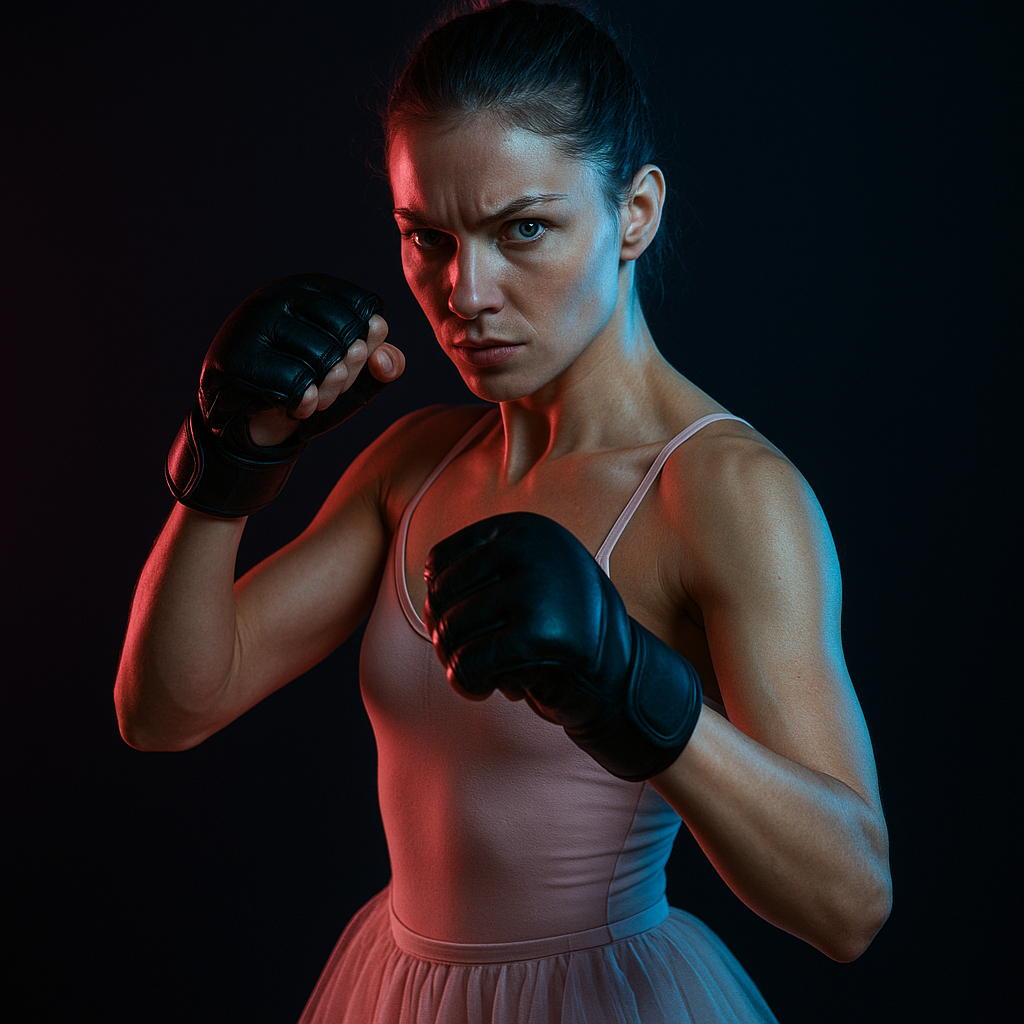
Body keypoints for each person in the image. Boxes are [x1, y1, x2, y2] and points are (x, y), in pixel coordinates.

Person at [115, 2, 891, 1021]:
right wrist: (229, 466)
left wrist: (634, 694)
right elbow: (168, 707)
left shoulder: (724, 493)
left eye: (522, 228)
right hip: (394, 987)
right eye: (425, 237)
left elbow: (848, 903)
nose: (464, 290)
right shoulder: (418, 462)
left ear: (636, 212)